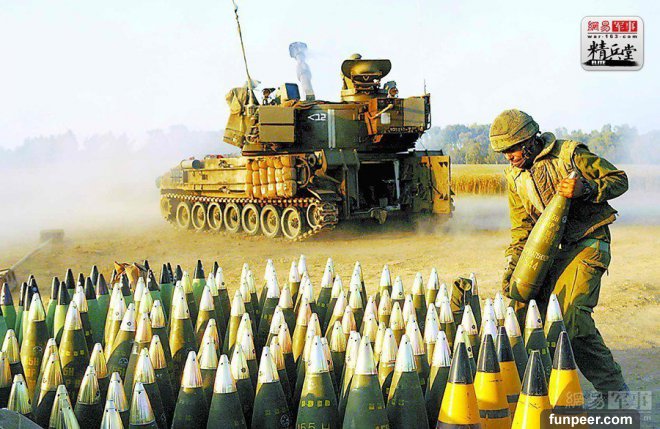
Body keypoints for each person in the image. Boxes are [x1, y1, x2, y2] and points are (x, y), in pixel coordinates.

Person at [489, 109, 629, 405]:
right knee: (528, 311)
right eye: (504, 152)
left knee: (572, 318)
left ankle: (615, 394)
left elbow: (619, 180)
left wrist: (587, 188)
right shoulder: (514, 177)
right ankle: (541, 391)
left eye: (513, 149)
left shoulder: (570, 155)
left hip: (588, 241)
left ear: (530, 140)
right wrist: (513, 269)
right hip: (549, 252)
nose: (509, 157)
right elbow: (522, 230)